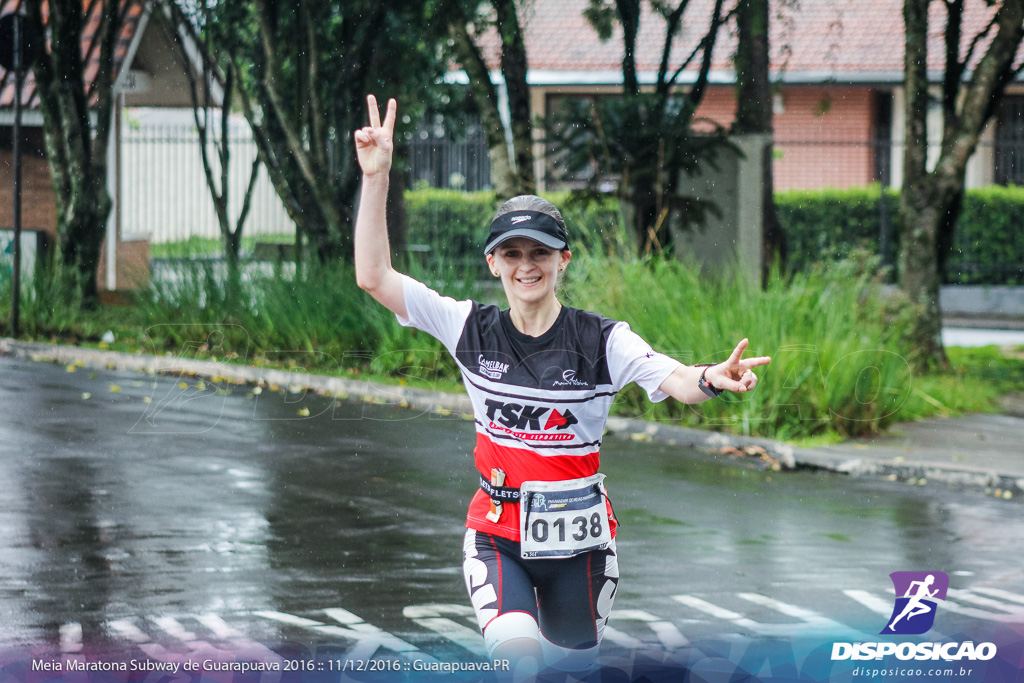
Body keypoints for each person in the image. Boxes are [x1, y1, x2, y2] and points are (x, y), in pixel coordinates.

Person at [353, 95, 771, 674]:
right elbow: (373, 276)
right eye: (513, 253)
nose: (528, 265)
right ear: (494, 263)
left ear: (563, 260)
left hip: (583, 547)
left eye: (541, 253)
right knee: (519, 660)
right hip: (497, 535)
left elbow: (676, 379)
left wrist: (713, 379)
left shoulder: (602, 340)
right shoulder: (468, 326)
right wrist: (377, 178)